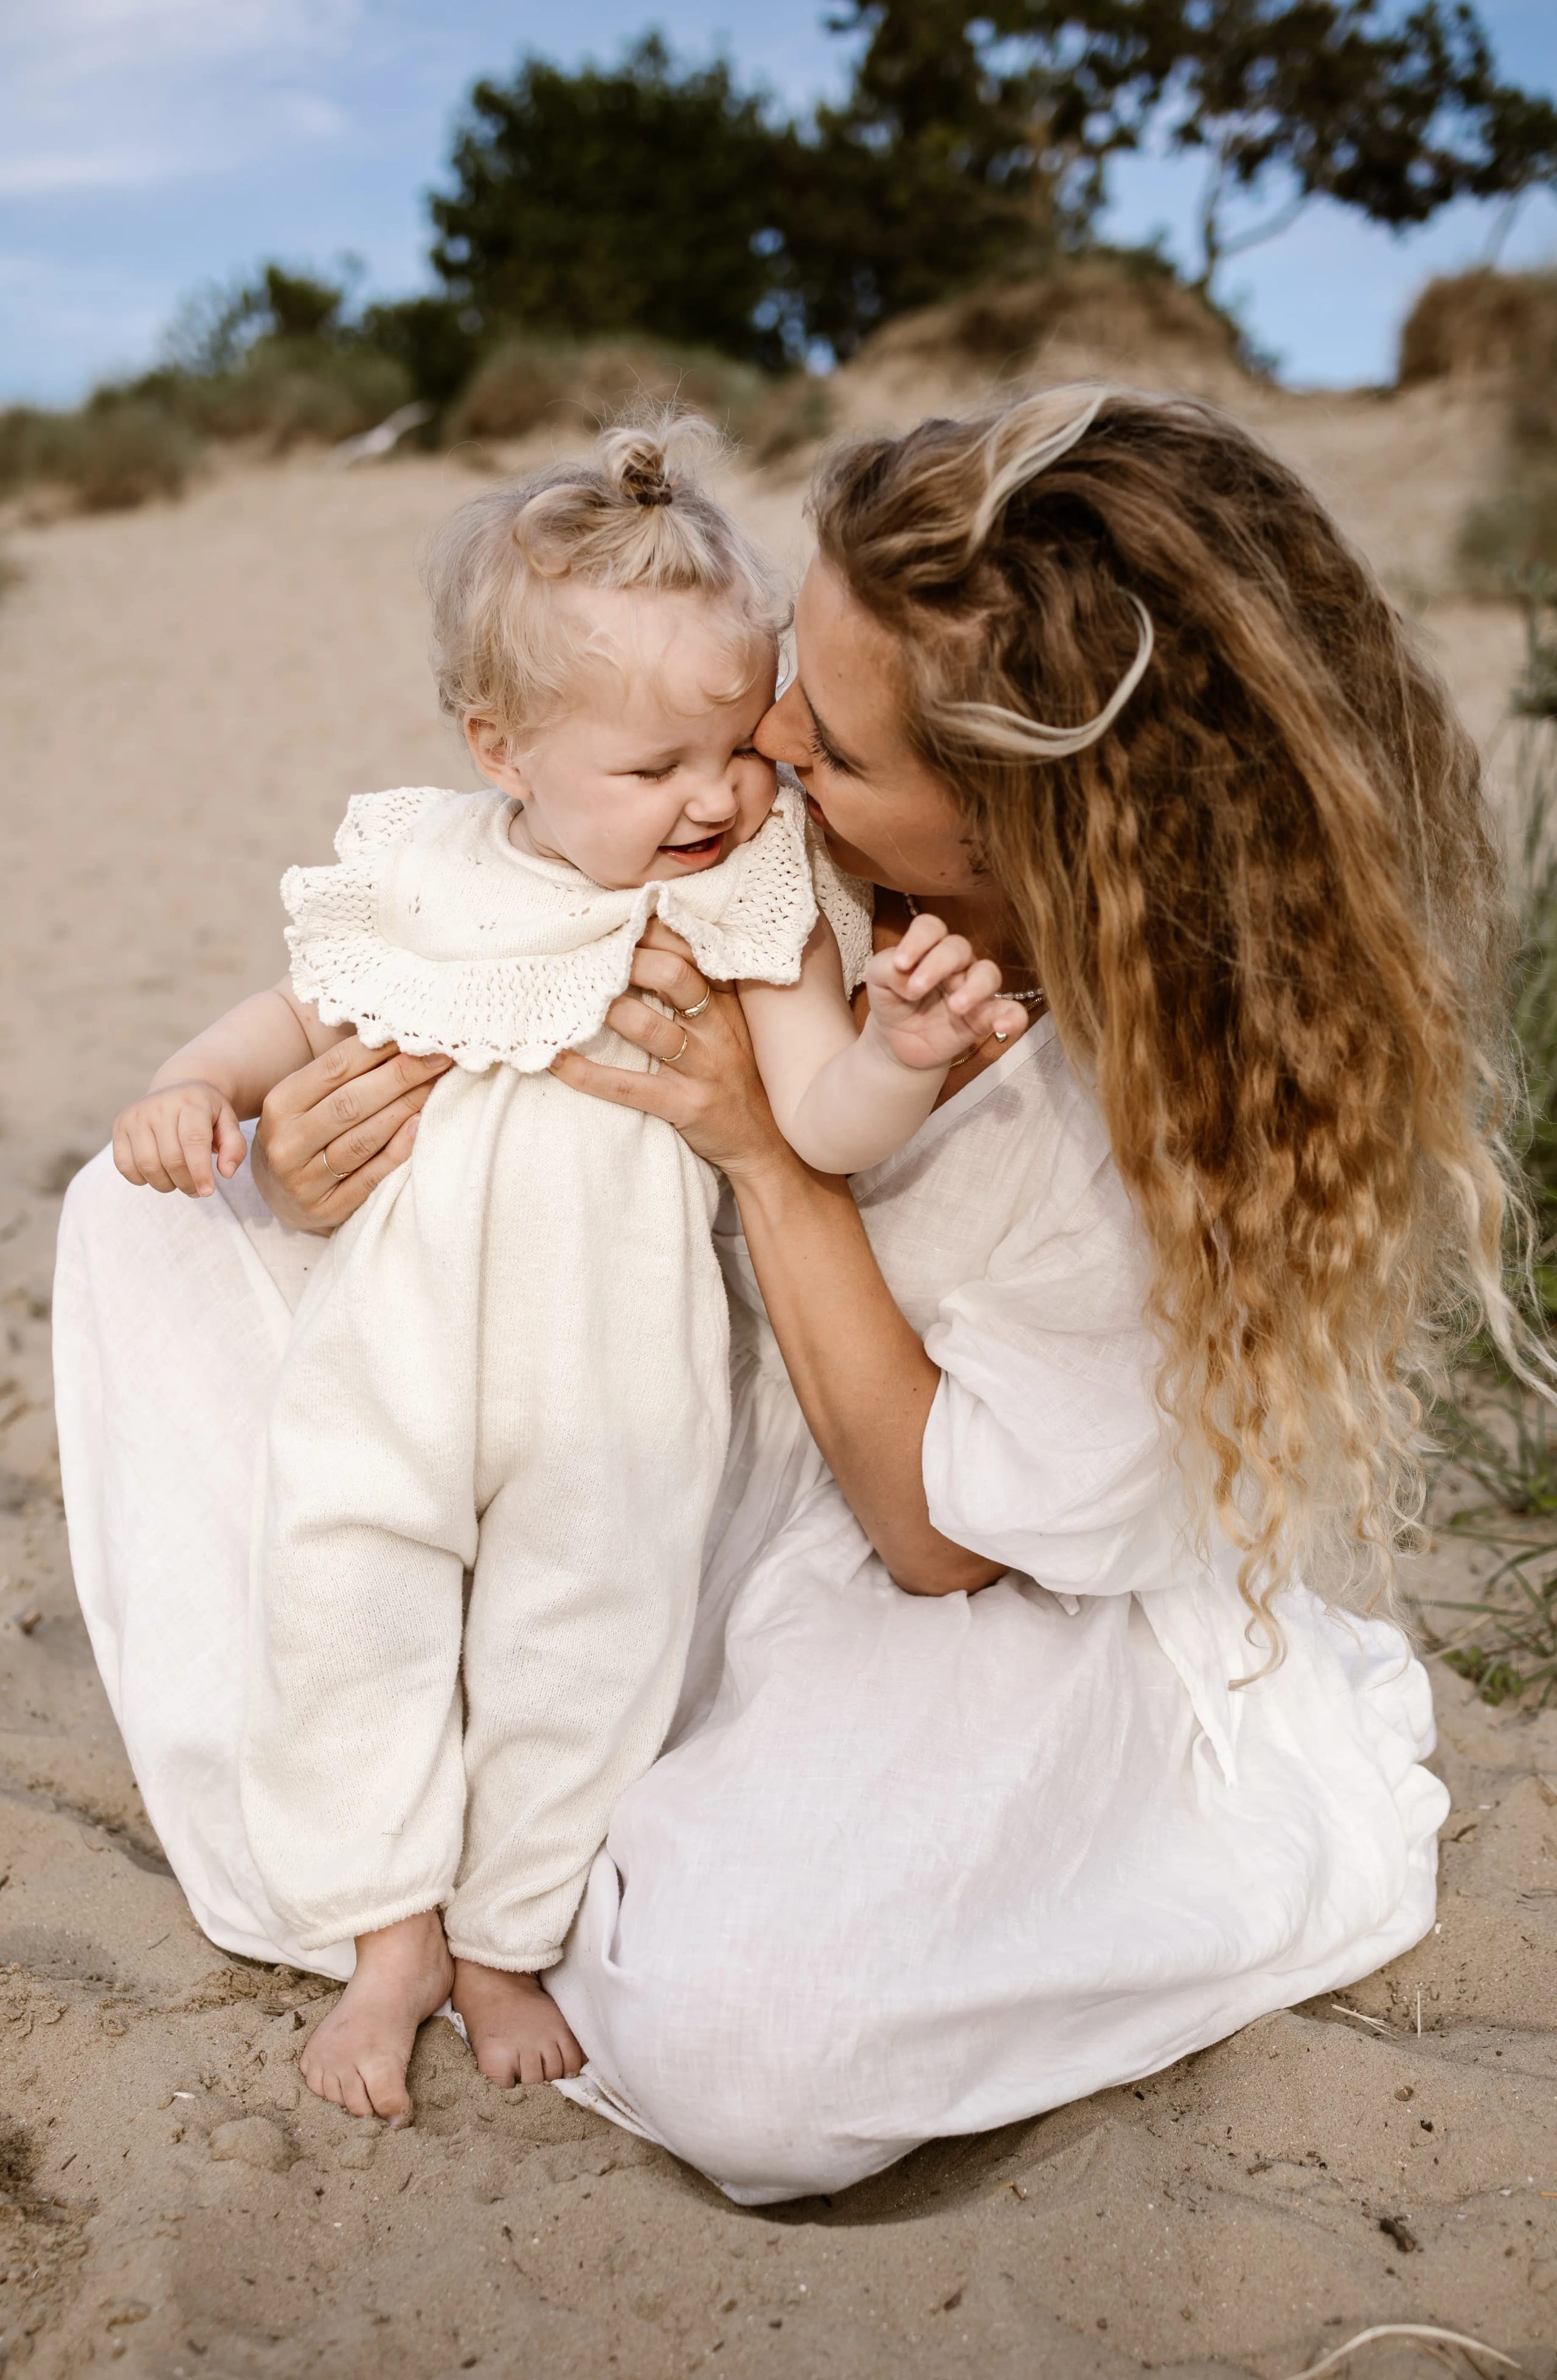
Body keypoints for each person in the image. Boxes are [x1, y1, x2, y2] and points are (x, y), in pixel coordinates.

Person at [56, 384, 1510, 2205]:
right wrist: (303, 1163)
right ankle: (396, 1875)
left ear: (1023, 820)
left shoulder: (1137, 1119)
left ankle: (538, 1895)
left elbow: (937, 1538)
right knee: (143, 1226)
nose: (771, 740)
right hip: (598, 1382)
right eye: (787, 683)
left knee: (747, 2049)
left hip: (949, 1564)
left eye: (831, 741)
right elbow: (419, 998)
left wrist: (770, 1149)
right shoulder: (751, 828)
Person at [91, 419, 1028, 2128]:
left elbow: (818, 1125)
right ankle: (388, 1936)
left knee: (581, 1643)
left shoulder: (738, 901)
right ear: (501, 749)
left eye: (736, 749)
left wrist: (897, 1051)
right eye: (657, 765)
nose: (717, 797)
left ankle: (507, 1938)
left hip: (616, 1380)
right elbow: (291, 1013)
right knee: (344, 1604)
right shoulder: (421, 868)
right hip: (392, 1351)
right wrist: (190, 1087)